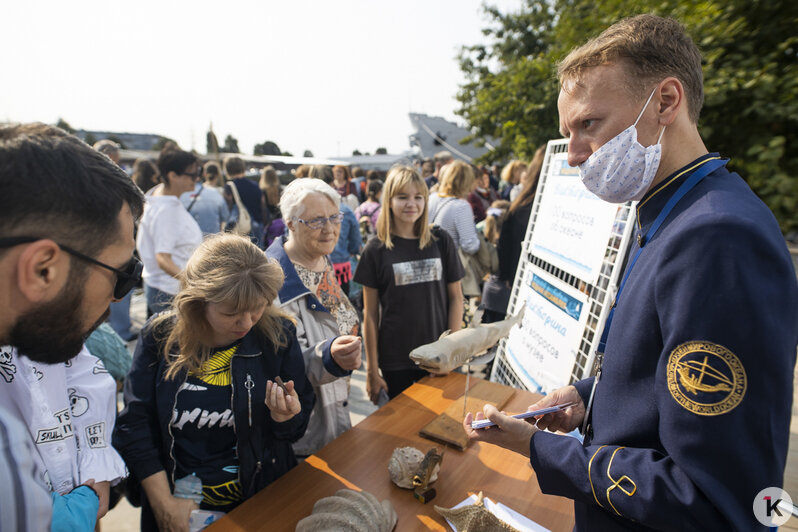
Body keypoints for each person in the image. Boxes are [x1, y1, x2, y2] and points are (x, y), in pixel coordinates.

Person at [464, 15, 798, 531]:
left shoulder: (716, 238)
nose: (573, 156)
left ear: (666, 101)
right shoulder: (672, 211)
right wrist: (588, 396)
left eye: (588, 125)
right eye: (567, 133)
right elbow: (657, 370)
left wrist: (540, 448)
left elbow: (711, 497)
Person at [113, 234, 314, 531]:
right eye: (231, 313)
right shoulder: (159, 337)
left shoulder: (278, 335)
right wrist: (163, 505)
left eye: (257, 307)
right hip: (178, 507)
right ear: (198, 302)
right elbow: (135, 426)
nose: (246, 322)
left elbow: (293, 430)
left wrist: (284, 417)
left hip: (259, 500)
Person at [0, 122, 144, 531]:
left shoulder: (39, 330)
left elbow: (84, 378)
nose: (119, 297)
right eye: (121, 273)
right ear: (43, 269)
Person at [265, 178, 362, 458]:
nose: (330, 229)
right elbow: (281, 366)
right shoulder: (272, 282)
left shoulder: (321, 260)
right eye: (317, 221)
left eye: (334, 217)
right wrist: (331, 357)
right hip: (306, 430)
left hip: (336, 409)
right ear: (291, 223)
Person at [354, 166, 464, 401]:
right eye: (402, 197)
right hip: (396, 361)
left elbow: (456, 298)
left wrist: (451, 353)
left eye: (418, 197)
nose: (411, 204)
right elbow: (370, 315)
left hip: (439, 358)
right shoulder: (375, 250)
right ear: (389, 200)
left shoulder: (440, 240)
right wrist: (371, 371)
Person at [137, 147, 203, 316]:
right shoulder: (167, 211)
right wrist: (195, 284)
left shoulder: (157, 196)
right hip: (169, 291)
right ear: (173, 176)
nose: (197, 178)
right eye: (192, 174)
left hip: (159, 286)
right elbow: (163, 258)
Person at [496, 145, 544, 290]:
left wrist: (507, 276)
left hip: (521, 277)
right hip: (529, 278)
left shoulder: (521, 203)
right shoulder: (528, 204)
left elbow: (504, 244)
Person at [223, 156, 265, 247]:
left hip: (241, 229)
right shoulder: (255, 185)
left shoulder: (230, 186)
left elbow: (227, 209)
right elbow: (262, 205)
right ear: (243, 168)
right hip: (258, 226)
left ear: (227, 169)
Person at [180, 164, 229, 235]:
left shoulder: (180, 196)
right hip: (211, 242)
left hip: (188, 242)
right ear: (203, 174)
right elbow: (225, 216)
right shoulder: (215, 193)